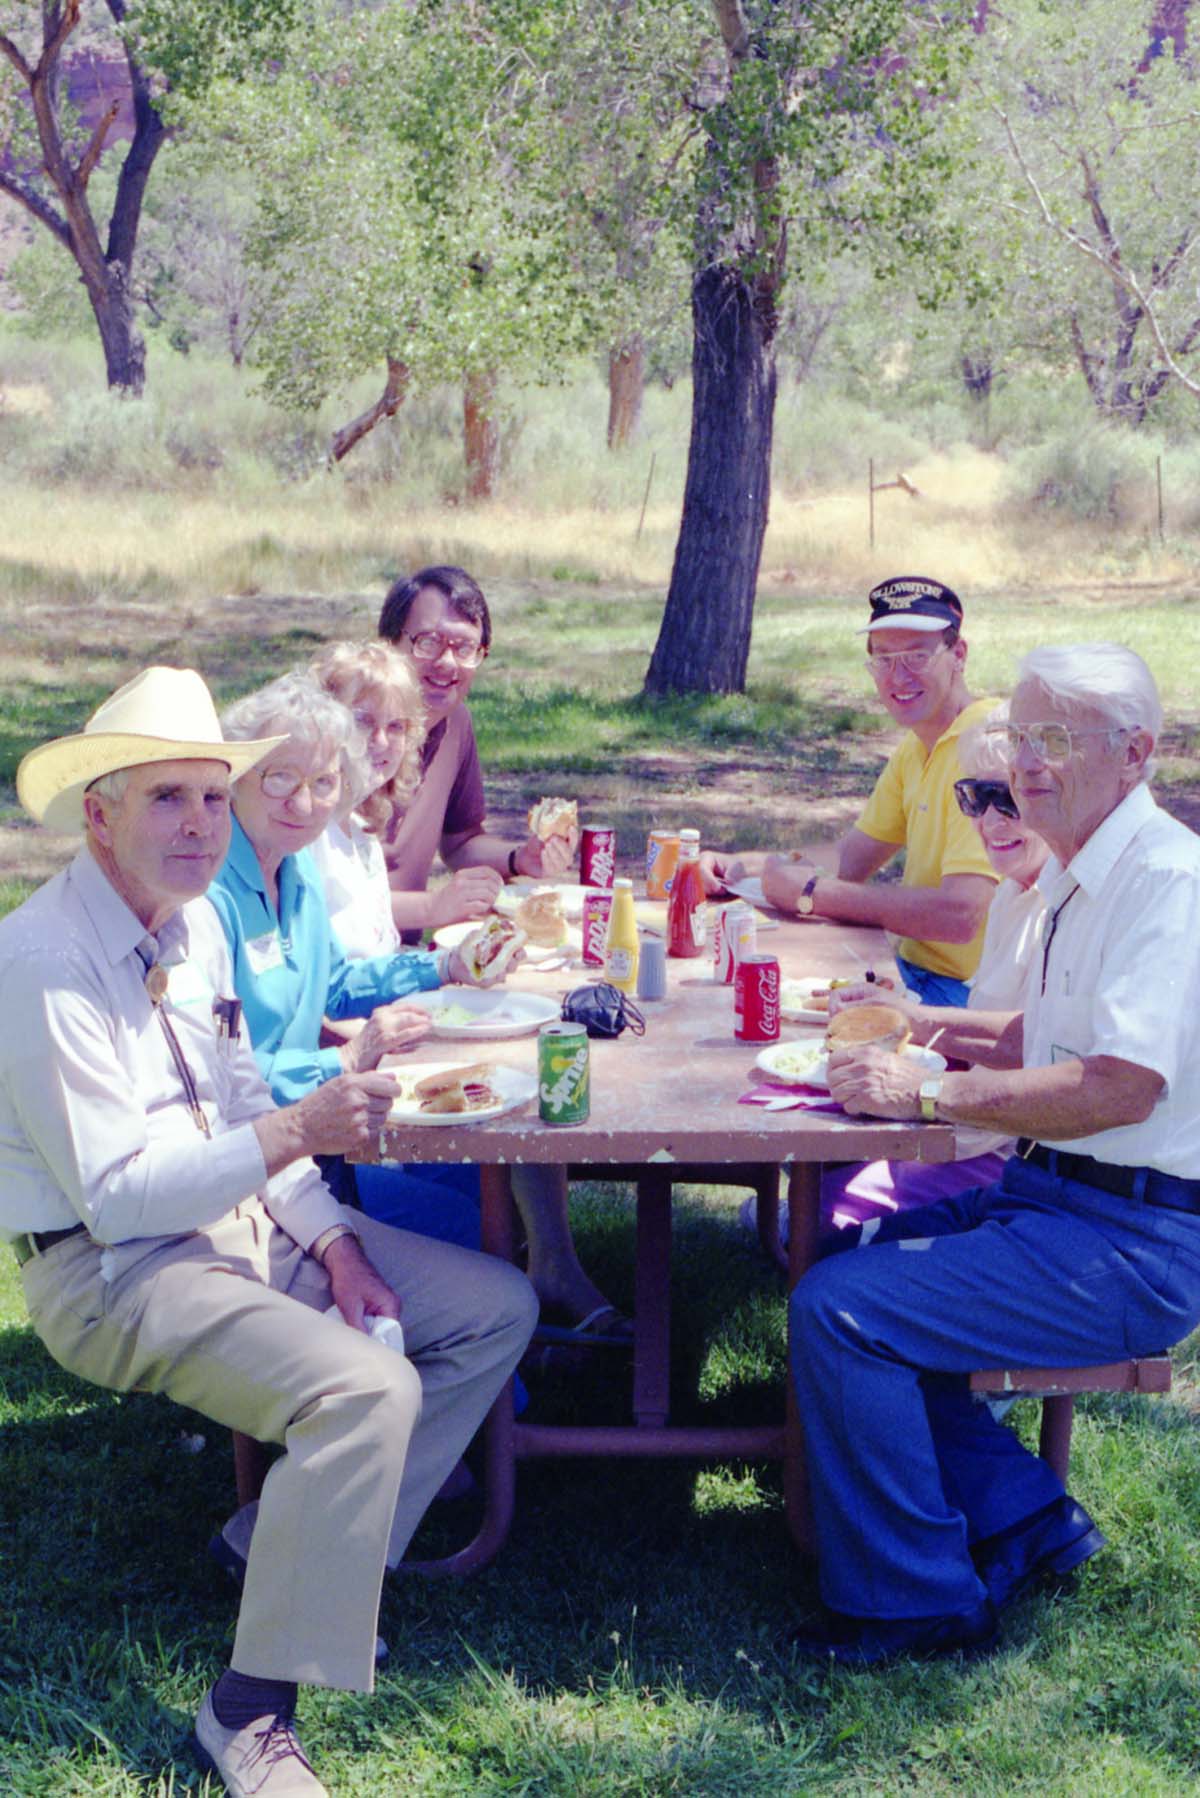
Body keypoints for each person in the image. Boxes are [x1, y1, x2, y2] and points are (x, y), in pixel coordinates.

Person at [2, 667, 537, 1795]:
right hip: (110, 1273)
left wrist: (338, 1247)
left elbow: (242, 1107)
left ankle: (291, 1554)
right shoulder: (41, 963)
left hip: (232, 1225)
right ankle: (249, 1709)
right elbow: (119, 1197)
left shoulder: (187, 927)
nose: (199, 824)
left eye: (210, 795)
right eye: (166, 798)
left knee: (496, 1307)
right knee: (366, 1391)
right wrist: (302, 1127)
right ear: (98, 810)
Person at [788, 643, 1200, 1666]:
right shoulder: (1081, 869)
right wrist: (917, 1025)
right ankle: (1023, 1518)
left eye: (1056, 740)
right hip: (1054, 1198)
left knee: (841, 1311)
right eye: (1022, 736)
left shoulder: (1166, 882)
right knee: (845, 1269)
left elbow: (1118, 1083)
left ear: (1138, 754)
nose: (1027, 763)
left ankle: (916, 1601)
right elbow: (1047, 1037)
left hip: (1139, 1241)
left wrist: (924, 1087)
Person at [218, 666, 631, 1344]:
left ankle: (512, 1358)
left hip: (313, 1152)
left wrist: (444, 963)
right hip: (259, 1165)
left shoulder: (294, 870)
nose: (303, 800)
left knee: (495, 1160)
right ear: (238, 777)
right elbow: (228, 1083)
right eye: (279, 777)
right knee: (480, 1232)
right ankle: (507, 1386)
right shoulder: (214, 896)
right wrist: (347, 1060)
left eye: (323, 783)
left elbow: (332, 984)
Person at [701, 576, 999, 1006]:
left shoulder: (985, 745)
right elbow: (850, 858)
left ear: (959, 655)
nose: (898, 676)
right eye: (883, 659)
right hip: (913, 974)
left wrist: (811, 895)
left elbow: (961, 916)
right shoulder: (916, 748)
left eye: (917, 655)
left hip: (965, 999)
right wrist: (745, 866)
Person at [821, 706, 1050, 1231]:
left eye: (1009, 800)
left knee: (809, 1225)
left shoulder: (1058, 904)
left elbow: (1034, 1043)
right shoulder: (1015, 891)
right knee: (809, 1188)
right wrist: (897, 1008)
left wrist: (914, 1022)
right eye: (975, 798)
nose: (990, 822)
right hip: (977, 1129)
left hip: (1007, 1158)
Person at [377, 564, 579, 939]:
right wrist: (433, 908)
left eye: (465, 648)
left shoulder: (456, 723)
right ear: (389, 644)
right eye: (429, 642)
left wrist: (520, 857)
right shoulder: (347, 736)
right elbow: (327, 901)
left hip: (401, 956)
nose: (448, 663)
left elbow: (461, 841)